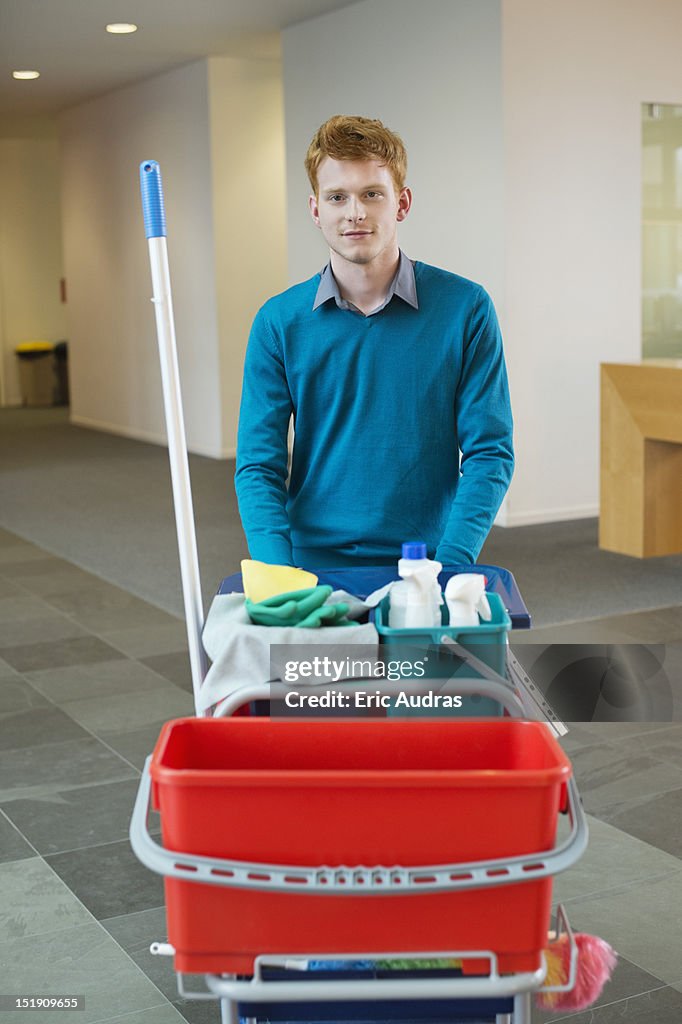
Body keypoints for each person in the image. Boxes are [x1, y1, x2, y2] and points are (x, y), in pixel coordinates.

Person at [235, 114, 513, 570]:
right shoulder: (278, 322)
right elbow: (258, 465)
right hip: (310, 564)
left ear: (401, 203)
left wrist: (454, 564)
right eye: (337, 197)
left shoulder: (466, 309)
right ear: (315, 209)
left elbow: (490, 451)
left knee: (436, 649)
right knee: (329, 650)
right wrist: (277, 572)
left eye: (372, 194)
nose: (355, 212)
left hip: (429, 561)